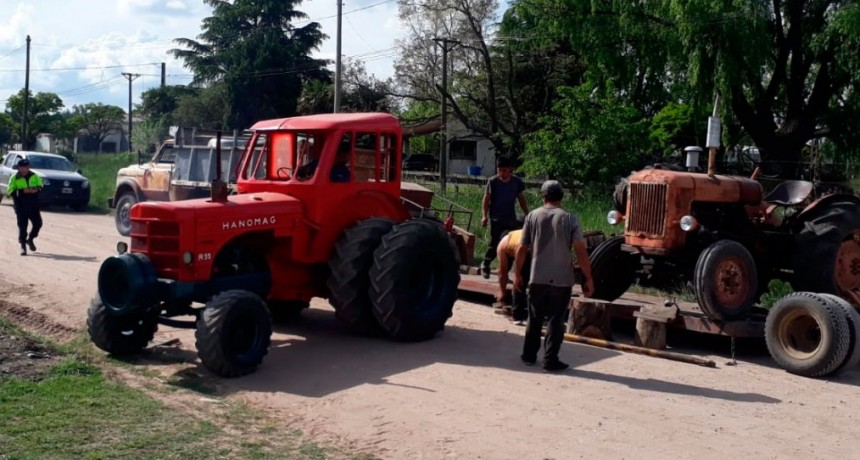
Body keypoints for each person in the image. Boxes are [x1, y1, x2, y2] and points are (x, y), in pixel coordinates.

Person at [515, 180, 594, 372]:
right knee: (556, 320)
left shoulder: (532, 216)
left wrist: (517, 273)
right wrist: (588, 277)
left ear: (543, 196)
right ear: (561, 197)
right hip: (561, 279)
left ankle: (528, 356)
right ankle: (550, 360)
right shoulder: (569, 218)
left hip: (537, 276)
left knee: (534, 317)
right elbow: (580, 250)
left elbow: (521, 247)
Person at [481, 156, 528, 279]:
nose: (502, 173)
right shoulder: (493, 182)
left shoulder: (516, 182)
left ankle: (504, 273)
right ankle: (486, 263)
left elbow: (521, 199)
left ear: (510, 170)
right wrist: (484, 216)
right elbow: (486, 200)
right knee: (496, 242)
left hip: (510, 218)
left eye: (504, 170)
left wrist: (527, 214)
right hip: (496, 217)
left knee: (509, 245)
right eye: (499, 170)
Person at [6, 159, 44, 256]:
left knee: (38, 223)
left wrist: (36, 190)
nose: (25, 169)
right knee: (23, 226)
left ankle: (30, 239)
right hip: (20, 205)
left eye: (27, 167)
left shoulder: (34, 176)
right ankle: (23, 246)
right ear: (19, 168)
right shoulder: (14, 178)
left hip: (33, 204)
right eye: (23, 167)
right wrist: (23, 191)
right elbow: (10, 192)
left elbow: (41, 186)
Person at [495, 229, 530, 325]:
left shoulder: (508, 242)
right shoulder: (503, 246)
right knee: (519, 279)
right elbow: (503, 274)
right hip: (522, 248)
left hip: (524, 248)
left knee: (522, 278)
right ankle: (516, 312)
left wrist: (518, 275)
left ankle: (519, 311)